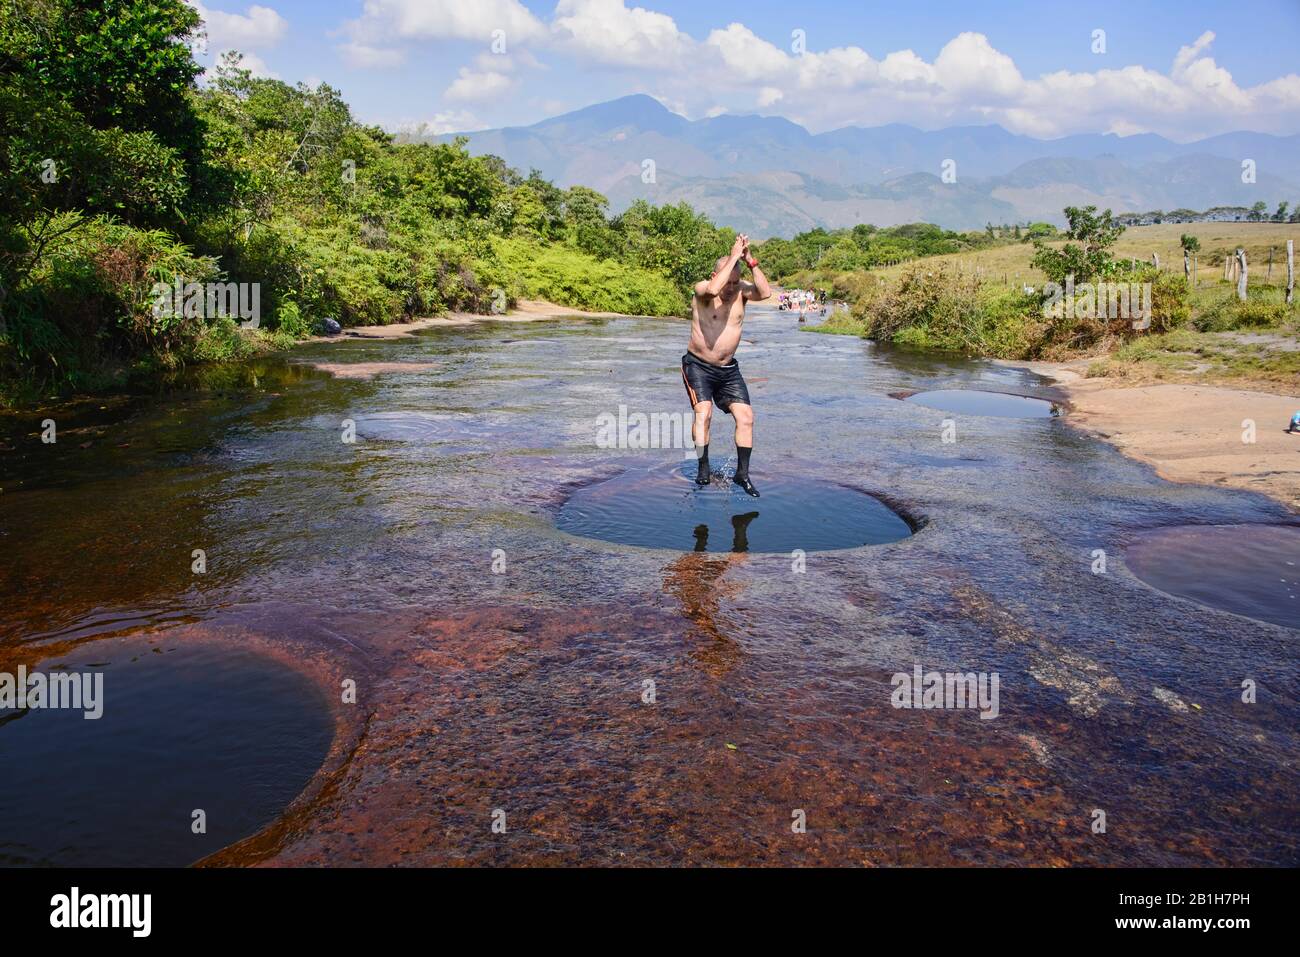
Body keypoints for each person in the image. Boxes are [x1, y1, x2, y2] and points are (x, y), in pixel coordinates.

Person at [682, 233, 772, 496]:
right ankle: (703, 468)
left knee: (746, 417)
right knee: (704, 413)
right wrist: (733, 255)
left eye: (736, 281)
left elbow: (765, 293)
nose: (732, 287)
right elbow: (712, 289)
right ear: (714, 274)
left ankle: (742, 476)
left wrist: (750, 260)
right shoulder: (703, 291)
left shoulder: (741, 293)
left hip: (728, 369)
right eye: (728, 281)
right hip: (698, 366)